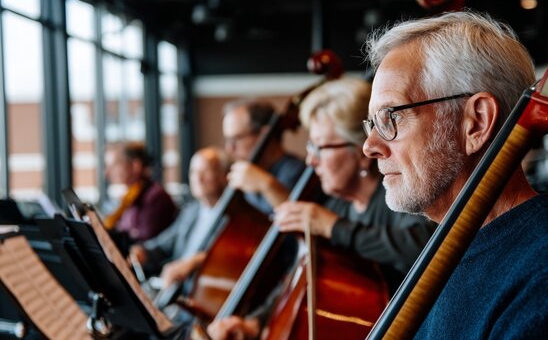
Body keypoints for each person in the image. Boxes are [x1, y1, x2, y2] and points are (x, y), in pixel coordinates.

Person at [361, 11, 548, 338]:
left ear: (477, 123)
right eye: (372, 124)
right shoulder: (449, 251)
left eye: (390, 117)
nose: (370, 146)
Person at [207, 77, 436, 340]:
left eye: (321, 147)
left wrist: (332, 227)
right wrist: (256, 322)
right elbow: (301, 276)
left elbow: (422, 246)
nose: (310, 160)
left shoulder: (398, 199)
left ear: (360, 150)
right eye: (310, 146)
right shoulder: (336, 204)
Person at [128, 147, 231, 287]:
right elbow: (165, 243)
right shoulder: (191, 210)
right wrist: (143, 251)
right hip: (174, 288)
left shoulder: (234, 215)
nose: (198, 178)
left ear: (224, 175)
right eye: (194, 172)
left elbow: (229, 256)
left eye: (206, 171)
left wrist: (192, 263)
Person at [222, 98, 307, 214]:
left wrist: (267, 185)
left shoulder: (297, 172)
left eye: (236, 139)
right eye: (228, 140)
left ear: (263, 134)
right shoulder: (248, 175)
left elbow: (299, 219)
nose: (230, 148)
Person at [104, 142, 176, 247]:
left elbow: (142, 244)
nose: (107, 173)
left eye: (114, 165)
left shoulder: (155, 197)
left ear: (135, 166)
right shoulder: (128, 197)